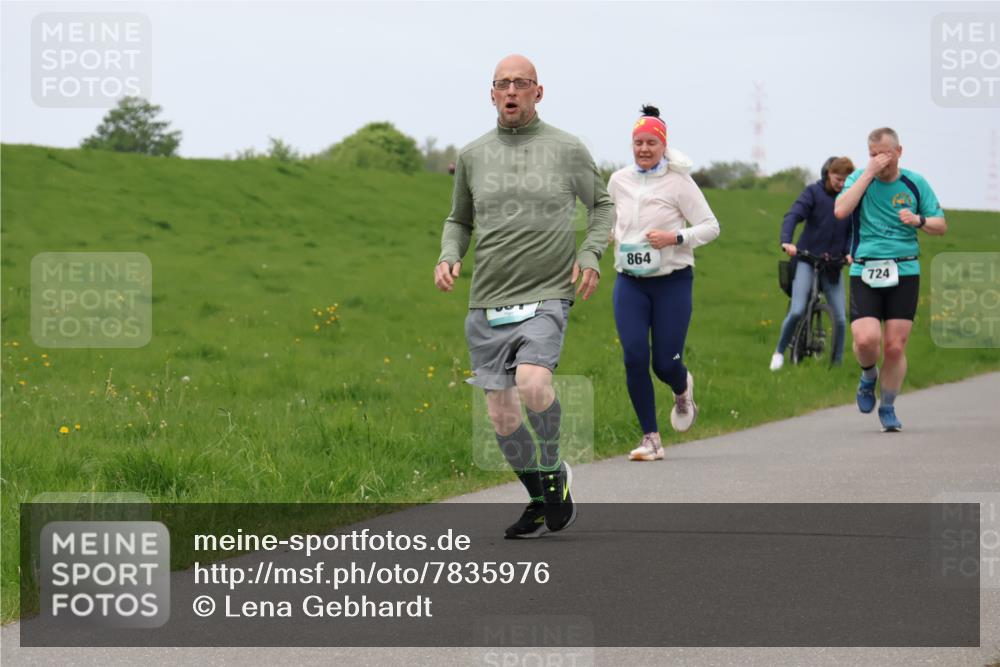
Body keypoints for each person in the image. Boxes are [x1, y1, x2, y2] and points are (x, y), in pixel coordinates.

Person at [434, 54, 614, 536]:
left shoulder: (566, 148)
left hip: (547, 292)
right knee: (502, 414)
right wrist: (448, 254)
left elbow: (601, 205)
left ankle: (553, 469)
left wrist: (592, 254)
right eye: (502, 84)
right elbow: (459, 219)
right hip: (487, 300)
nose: (511, 90)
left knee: (534, 384)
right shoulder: (473, 155)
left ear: (538, 91)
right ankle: (540, 497)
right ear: (491, 95)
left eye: (521, 83)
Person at [607, 105, 720, 461]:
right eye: (638, 142)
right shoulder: (618, 180)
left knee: (665, 363)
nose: (643, 149)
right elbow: (609, 221)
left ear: (662, 145)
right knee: (634, 356)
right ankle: (650, 438)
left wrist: (675, 237)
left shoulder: (678, 182)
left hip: (672, 282)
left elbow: (711, 226)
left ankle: (681, 387)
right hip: (630, 282)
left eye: (650, 143)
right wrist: (607, 238)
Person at [834, 127, 946, 432]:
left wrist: (919, 220)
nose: (879, 159)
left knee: (895, 347)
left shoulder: (914, 182)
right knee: (866, 339)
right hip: (866, 268)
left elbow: (940, 224)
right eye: (872, 154)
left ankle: (888, 406)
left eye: (884, 153)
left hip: (904, 269)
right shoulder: (860, 178)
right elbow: (841, 210)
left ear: (898, 152)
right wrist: (868, 173)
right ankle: (868, 375)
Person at [769, 156, 855, 371]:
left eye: (846, 180)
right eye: (838, 178)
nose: (841, 183)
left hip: (834, 264)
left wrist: (851, 253)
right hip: (807, 259)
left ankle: (836, 366)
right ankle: (779, 352)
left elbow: (855, 231)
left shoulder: (851, 198)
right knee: (797, 310)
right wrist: (787, 241)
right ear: (827, 174)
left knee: (841, 319)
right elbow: (794, 215)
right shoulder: (813, 193)